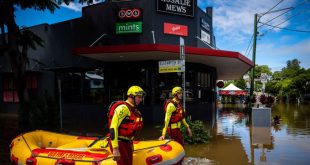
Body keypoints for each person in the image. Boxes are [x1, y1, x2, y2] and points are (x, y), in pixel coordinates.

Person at [107, 85, 145, 165]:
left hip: (127, 142)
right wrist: (115, 148)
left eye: (141, 97)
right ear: (131, 96)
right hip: (119, 142)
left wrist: (131, 142)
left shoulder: (134, 109)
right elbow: (113, 127)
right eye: (139, 97)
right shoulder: (123, 108)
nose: (141, 99)